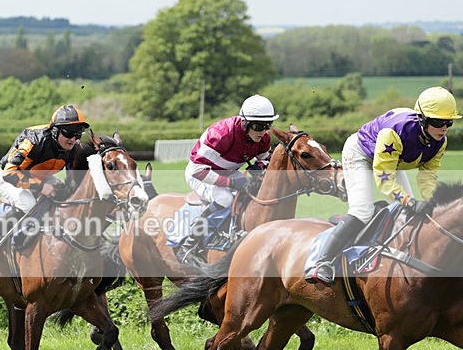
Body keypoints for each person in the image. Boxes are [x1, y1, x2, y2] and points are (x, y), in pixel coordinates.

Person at [306, 86, 460, 286]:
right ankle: (321, 262)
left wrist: (432, 204)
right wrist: (410, 201)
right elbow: (384, 178)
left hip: (392, 159)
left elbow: (428, 176)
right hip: (360, 153)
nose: (444, 128)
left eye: (448, 122)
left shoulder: (441, 141)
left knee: (410, 212)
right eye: (438, 122)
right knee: (362, 211)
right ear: (422, 119)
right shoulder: (395, 132)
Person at [178, 94, 278, 262]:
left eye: (268, 125)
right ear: (245, 122)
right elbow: (197, 169)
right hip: (202, 174)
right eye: (258, 126)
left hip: (229, 171)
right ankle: (188, 245)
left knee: (254, 193)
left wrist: (258, 167)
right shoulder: (221, 134)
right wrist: (230, 183)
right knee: (225, 199)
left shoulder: (263, 138)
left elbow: (264, 159)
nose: (263, 132)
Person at [0, 104, 89, 254]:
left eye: (78, 134)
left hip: (40, 178)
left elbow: (73, 180)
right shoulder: (33, 140)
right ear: (55, 130)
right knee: (28, 204)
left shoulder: (74, 148)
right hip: (11, 177)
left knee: (63, 195)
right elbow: (9, 173)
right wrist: (42, 187)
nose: (73, 139)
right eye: (69, 133)